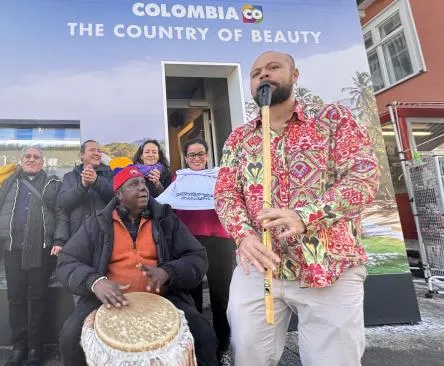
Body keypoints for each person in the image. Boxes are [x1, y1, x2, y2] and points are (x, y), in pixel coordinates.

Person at [214, 51, 380, 366]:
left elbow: (363, 176)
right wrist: (244, 236)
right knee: (247, 354)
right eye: (256, 72)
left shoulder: (333, 119)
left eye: (273, 67)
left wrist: (305, 217)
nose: (263, 74)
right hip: (259, 268)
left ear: (295, 74)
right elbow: (225, 192)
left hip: (329, 266)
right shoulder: (239, 139)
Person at [56, 165, 219, 366]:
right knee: (70, 335)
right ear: (119, 195)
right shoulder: (96, 224)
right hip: (107, 300)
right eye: (134, 184)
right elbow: (66, 261)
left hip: (164, 296)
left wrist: (169, 272)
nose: (143, 188)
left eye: (143, 183)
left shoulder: (166, 218)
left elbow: (197, 256)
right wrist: (95, 282)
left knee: (204, 333)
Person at [0, 146, 68, 366]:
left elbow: (61, 214)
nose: (32, 160)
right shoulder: (7, 183)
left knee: (39, 299)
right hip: (12, 248)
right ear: (20, 160)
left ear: (43, 162)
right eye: (28, 157)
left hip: (41, 250)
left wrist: (59, 240)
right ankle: (18, 347)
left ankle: (35, 348)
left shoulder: (53, 185)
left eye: (36, 157)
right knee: (15, 299)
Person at [158, 138, 235, 363]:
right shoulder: (178, 178)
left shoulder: (220, 177)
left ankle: (222, 346)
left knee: (221, 296)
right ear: (185, 158)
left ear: (207, 155)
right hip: (188, 245)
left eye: (200, 154)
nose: (197, 159)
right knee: (192, 298)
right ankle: (197, 346)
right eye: (192, 155)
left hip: (219, 240)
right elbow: (165, 203)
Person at [58, 139, 114, 237]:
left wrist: (97, 182)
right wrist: (82, 185)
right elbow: (64, 203)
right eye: (92, 150)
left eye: (99, 151)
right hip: (77, 234)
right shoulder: (69, 176)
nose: (97, 153)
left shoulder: (111, 175)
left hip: (105, 234)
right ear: (81, 155)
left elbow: (117, 198)